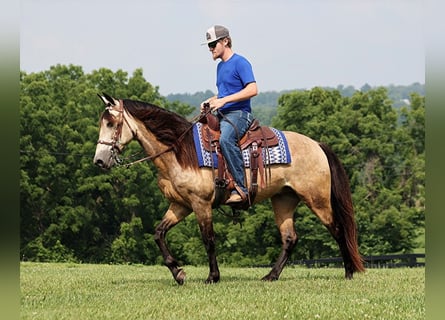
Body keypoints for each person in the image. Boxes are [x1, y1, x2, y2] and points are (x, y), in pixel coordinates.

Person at [201, 25, 258, 204]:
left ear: (225, 41)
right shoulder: (220, 67)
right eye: (209, 45)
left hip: (239, 113)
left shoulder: (240, 62)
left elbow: (253, 89)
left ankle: (241, 188)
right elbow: (224, 94)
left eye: (213, 44)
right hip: (223, 113)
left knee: (225, 139)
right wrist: (211, 101)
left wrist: (224, 101)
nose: (210, 48)